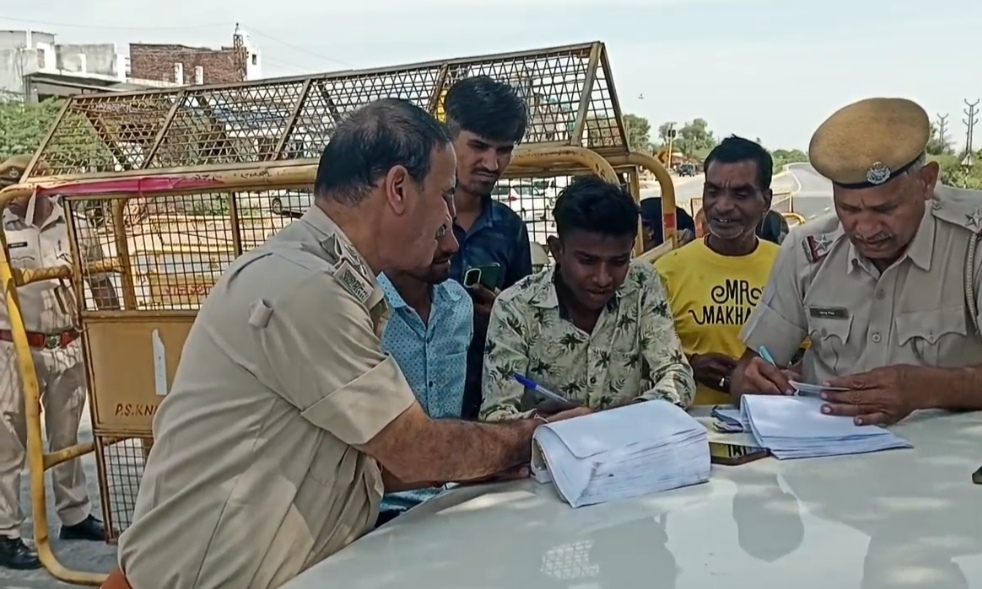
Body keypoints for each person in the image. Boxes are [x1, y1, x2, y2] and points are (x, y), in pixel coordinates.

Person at [105, 99, 587, 589]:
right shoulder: (306, 287)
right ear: (398, 188)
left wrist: (486, 460)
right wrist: (533, 436)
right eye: (444, 196)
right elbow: (412, 450)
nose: (450, 228)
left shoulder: (328, 278)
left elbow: (358, 464)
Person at [732, 97, 982, 425]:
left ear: (926, 181)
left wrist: (928, 389)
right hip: (829, 449)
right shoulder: (807, 249)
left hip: (950, 453)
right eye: (849, 209)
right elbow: (748, 371)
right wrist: (752, 381)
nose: (867, 229)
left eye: (886, 209)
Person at [481, 175, 694, 421]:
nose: (603, 278)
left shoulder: (642, 283)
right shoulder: (515, 307)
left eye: (618, 261)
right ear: (557, 250)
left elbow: (677, 376)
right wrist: (547, 422)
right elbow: (495, 416)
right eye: (587, 261)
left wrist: (617, 417)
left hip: (631, 439)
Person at [0, 155, 117, 570]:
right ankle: (5, 532)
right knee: (8, 444)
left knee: (66, 439)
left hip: (66, 344)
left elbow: (100, 281)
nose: (12, 197)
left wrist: (114, 336)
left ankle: (75, 514)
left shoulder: (76, 225)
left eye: (17, 188)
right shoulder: (1, 228)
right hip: (13, 350)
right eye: (7, 189)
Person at [655, 136, 782, 406]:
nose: (723, 206)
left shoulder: (790, 268)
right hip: (688, 424)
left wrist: (774, 376)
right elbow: (637, 360)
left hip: (772, 423)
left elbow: (817, 357)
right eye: (713, 192)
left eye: (741, 194)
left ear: (766, 201)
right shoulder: (666, 271)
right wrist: (689, 366)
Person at [442, 75, 533, 420]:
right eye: (479, 146)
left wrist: (502, 315)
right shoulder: (408, 223)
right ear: (447, 140)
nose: (493, 164)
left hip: (491, 406)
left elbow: (526, 322)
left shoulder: (510, 229)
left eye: (504, 150)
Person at [374, 215, 472, 523]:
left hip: (455, 494)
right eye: (437, 232)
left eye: (451, 230)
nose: (452, 245)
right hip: (384, 507)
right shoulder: (366, 312)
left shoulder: (459, 304)